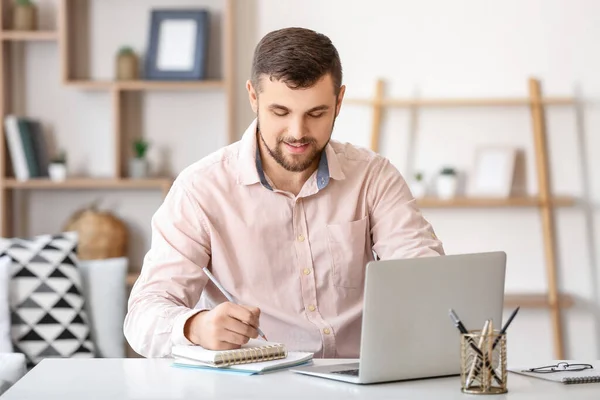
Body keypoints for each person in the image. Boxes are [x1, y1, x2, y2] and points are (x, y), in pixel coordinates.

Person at [123, 27, 444, 359]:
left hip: (361, 380)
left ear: (339, 101)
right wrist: (196, 327)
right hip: (254, 384)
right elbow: (144, 314)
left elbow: (425, 277)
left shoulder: (373, 176)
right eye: (280, 112)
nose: (297, 132)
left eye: (316, 113)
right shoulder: (201, 189)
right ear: (253, 97)